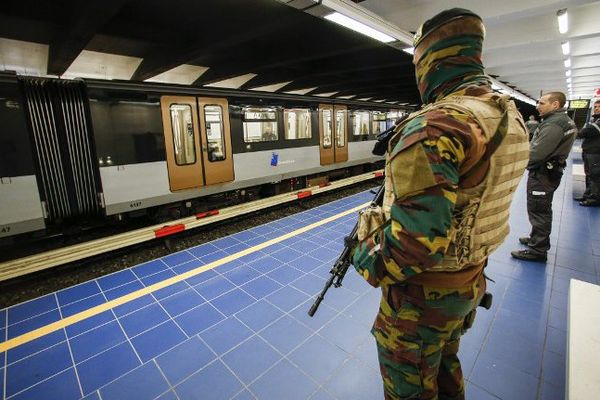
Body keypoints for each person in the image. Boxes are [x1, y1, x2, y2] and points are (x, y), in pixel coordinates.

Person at [351, 8, 529, 400]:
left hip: (422, 300)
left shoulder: (435, 125)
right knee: (445, 366)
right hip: (468, 281)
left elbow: (410, 249)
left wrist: (362, 254)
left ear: (429, 61)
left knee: (411, 385)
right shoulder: (506, 115)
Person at [511, 92, 577, 262]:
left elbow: (537, 153)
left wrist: (514, 162)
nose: (537, 106)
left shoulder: (554, 124)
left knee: (539, 210)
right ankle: (535, 238)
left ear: (555, 104)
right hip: (550, 172)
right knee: (540, 208)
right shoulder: (564, 121)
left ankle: (538, 250)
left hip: (543, 175)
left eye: (541, 103)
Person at [575, 99, 600, 206]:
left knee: (595, 176)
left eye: (599, 107)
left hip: (596, 152)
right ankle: (588, 195)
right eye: (595, 107)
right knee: (589, 174)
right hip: (589, 151)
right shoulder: (595, 120)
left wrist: (578, 133)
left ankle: (594, 199)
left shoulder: (597, 122)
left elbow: (586, 131)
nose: (596, 109)